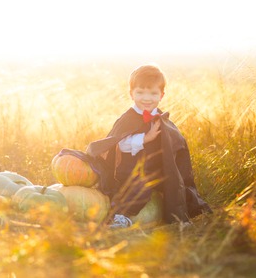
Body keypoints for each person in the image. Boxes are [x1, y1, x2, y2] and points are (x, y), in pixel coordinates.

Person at [86, 64, 212, 228]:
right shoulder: (128, 119)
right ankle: (121, 216)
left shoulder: (160, 117)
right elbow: (121, 144)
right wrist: (146, 138)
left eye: (153, 93)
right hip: (132, 170)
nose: (147, 98)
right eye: (140, 92)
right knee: (139, 186)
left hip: (156, 169)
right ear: (131, 94)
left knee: (176, 182)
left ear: (161, 95)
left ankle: (181, 217)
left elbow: (175, 141)